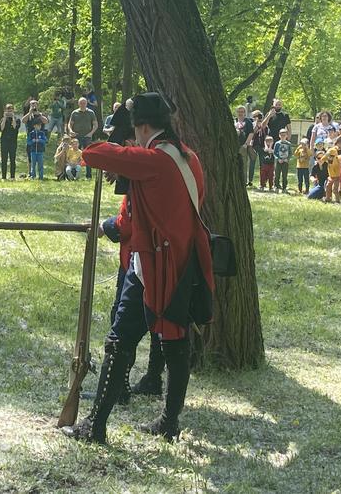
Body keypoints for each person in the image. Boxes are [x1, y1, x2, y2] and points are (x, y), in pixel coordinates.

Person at [62, 92, 214, 444]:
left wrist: (82, 145)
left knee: (119, 342)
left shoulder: (156, 159)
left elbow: (99, 154)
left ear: (143, 126)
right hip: (182, 262)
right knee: (176, 345)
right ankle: (168, 423)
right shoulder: (189, 158)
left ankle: (95, 425)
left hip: (154, 266)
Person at [68, 97, 98, 179]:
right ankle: (73, 175)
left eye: (84, 103)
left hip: (87, 137)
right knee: (74, 154)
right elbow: (70, 124)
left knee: (88, 156)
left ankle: (89, 175)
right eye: (81, 103)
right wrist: (70, 131)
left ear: (86, 103)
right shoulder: (74, 113)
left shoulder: (91, 112)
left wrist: (91, 133)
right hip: (76, 137)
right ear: (78, 104)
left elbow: (95, 124)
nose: (83, 104)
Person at [21, 100, 49, 176]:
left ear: (38, 105)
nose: (34, 106)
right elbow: (23, 121)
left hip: (40, 138)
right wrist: (30, 113)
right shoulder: (28, 114)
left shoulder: (41, 114)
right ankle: (30, 172)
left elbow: (46, 121)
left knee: (40, 156)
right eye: (32, 104)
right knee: (29, 156)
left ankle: (40, 173)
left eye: (35, 104)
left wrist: (39, 115)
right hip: (31, 137)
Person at [323, 136, 341, 204]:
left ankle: (337, 201)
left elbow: (337, 160)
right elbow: (328, 159)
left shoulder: (336, 151)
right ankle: (328, 198)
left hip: (336, 173)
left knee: (335, 189)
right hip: (331, 173)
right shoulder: (332, 150)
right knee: (328, 186)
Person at [234, 105, 255, 186]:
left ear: (245, 113)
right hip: (234, 146)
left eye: (242, 111)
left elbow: (251, 133)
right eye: (239, 111)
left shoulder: (248, 122)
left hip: (243, 145)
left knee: (243, 164)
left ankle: (244, 181)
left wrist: (246, 144)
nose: (240, 113)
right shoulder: (234, 121)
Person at [0, 103, 20, 180]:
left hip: (13, 142)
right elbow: (1, 128)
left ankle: (12, 177)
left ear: (13, 110)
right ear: (5, 110)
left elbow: (15, 127)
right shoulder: (3, 119)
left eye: (11, 109)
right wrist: (4, 118)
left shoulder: (17, 119)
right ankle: (3, 177)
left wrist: (13, 117)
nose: (9, 110)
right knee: (4, 159)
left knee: (12, 159)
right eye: (8, 109)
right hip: (4, 141)